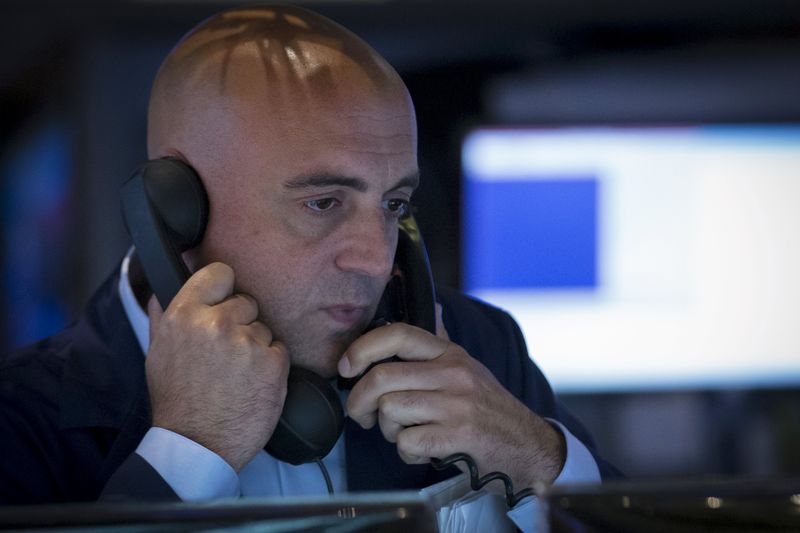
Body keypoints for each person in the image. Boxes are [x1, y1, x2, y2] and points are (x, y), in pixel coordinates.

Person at [0, 5, 617, 530]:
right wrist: (187, 451)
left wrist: (542, 461)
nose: (375, 259)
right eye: (323, 203)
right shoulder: (25, 420)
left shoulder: (478, 347)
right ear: (173, 208)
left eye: (394, 204)